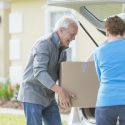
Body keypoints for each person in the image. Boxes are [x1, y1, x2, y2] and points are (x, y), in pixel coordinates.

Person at [17, 16, 78, 125]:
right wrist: (60, 91)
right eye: (72, 34)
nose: (74, 39)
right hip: (33, 94)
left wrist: (66, 93)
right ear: (61, 30)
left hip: (48, 96)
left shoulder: (63, 49)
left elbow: (61, 74)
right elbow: (39, 72)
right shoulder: (44, 44)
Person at [93, 16, 125, 125]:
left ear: (107, 32)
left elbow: (100, 77)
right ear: (123, 31)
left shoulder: (98, 52)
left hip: (105, 100)